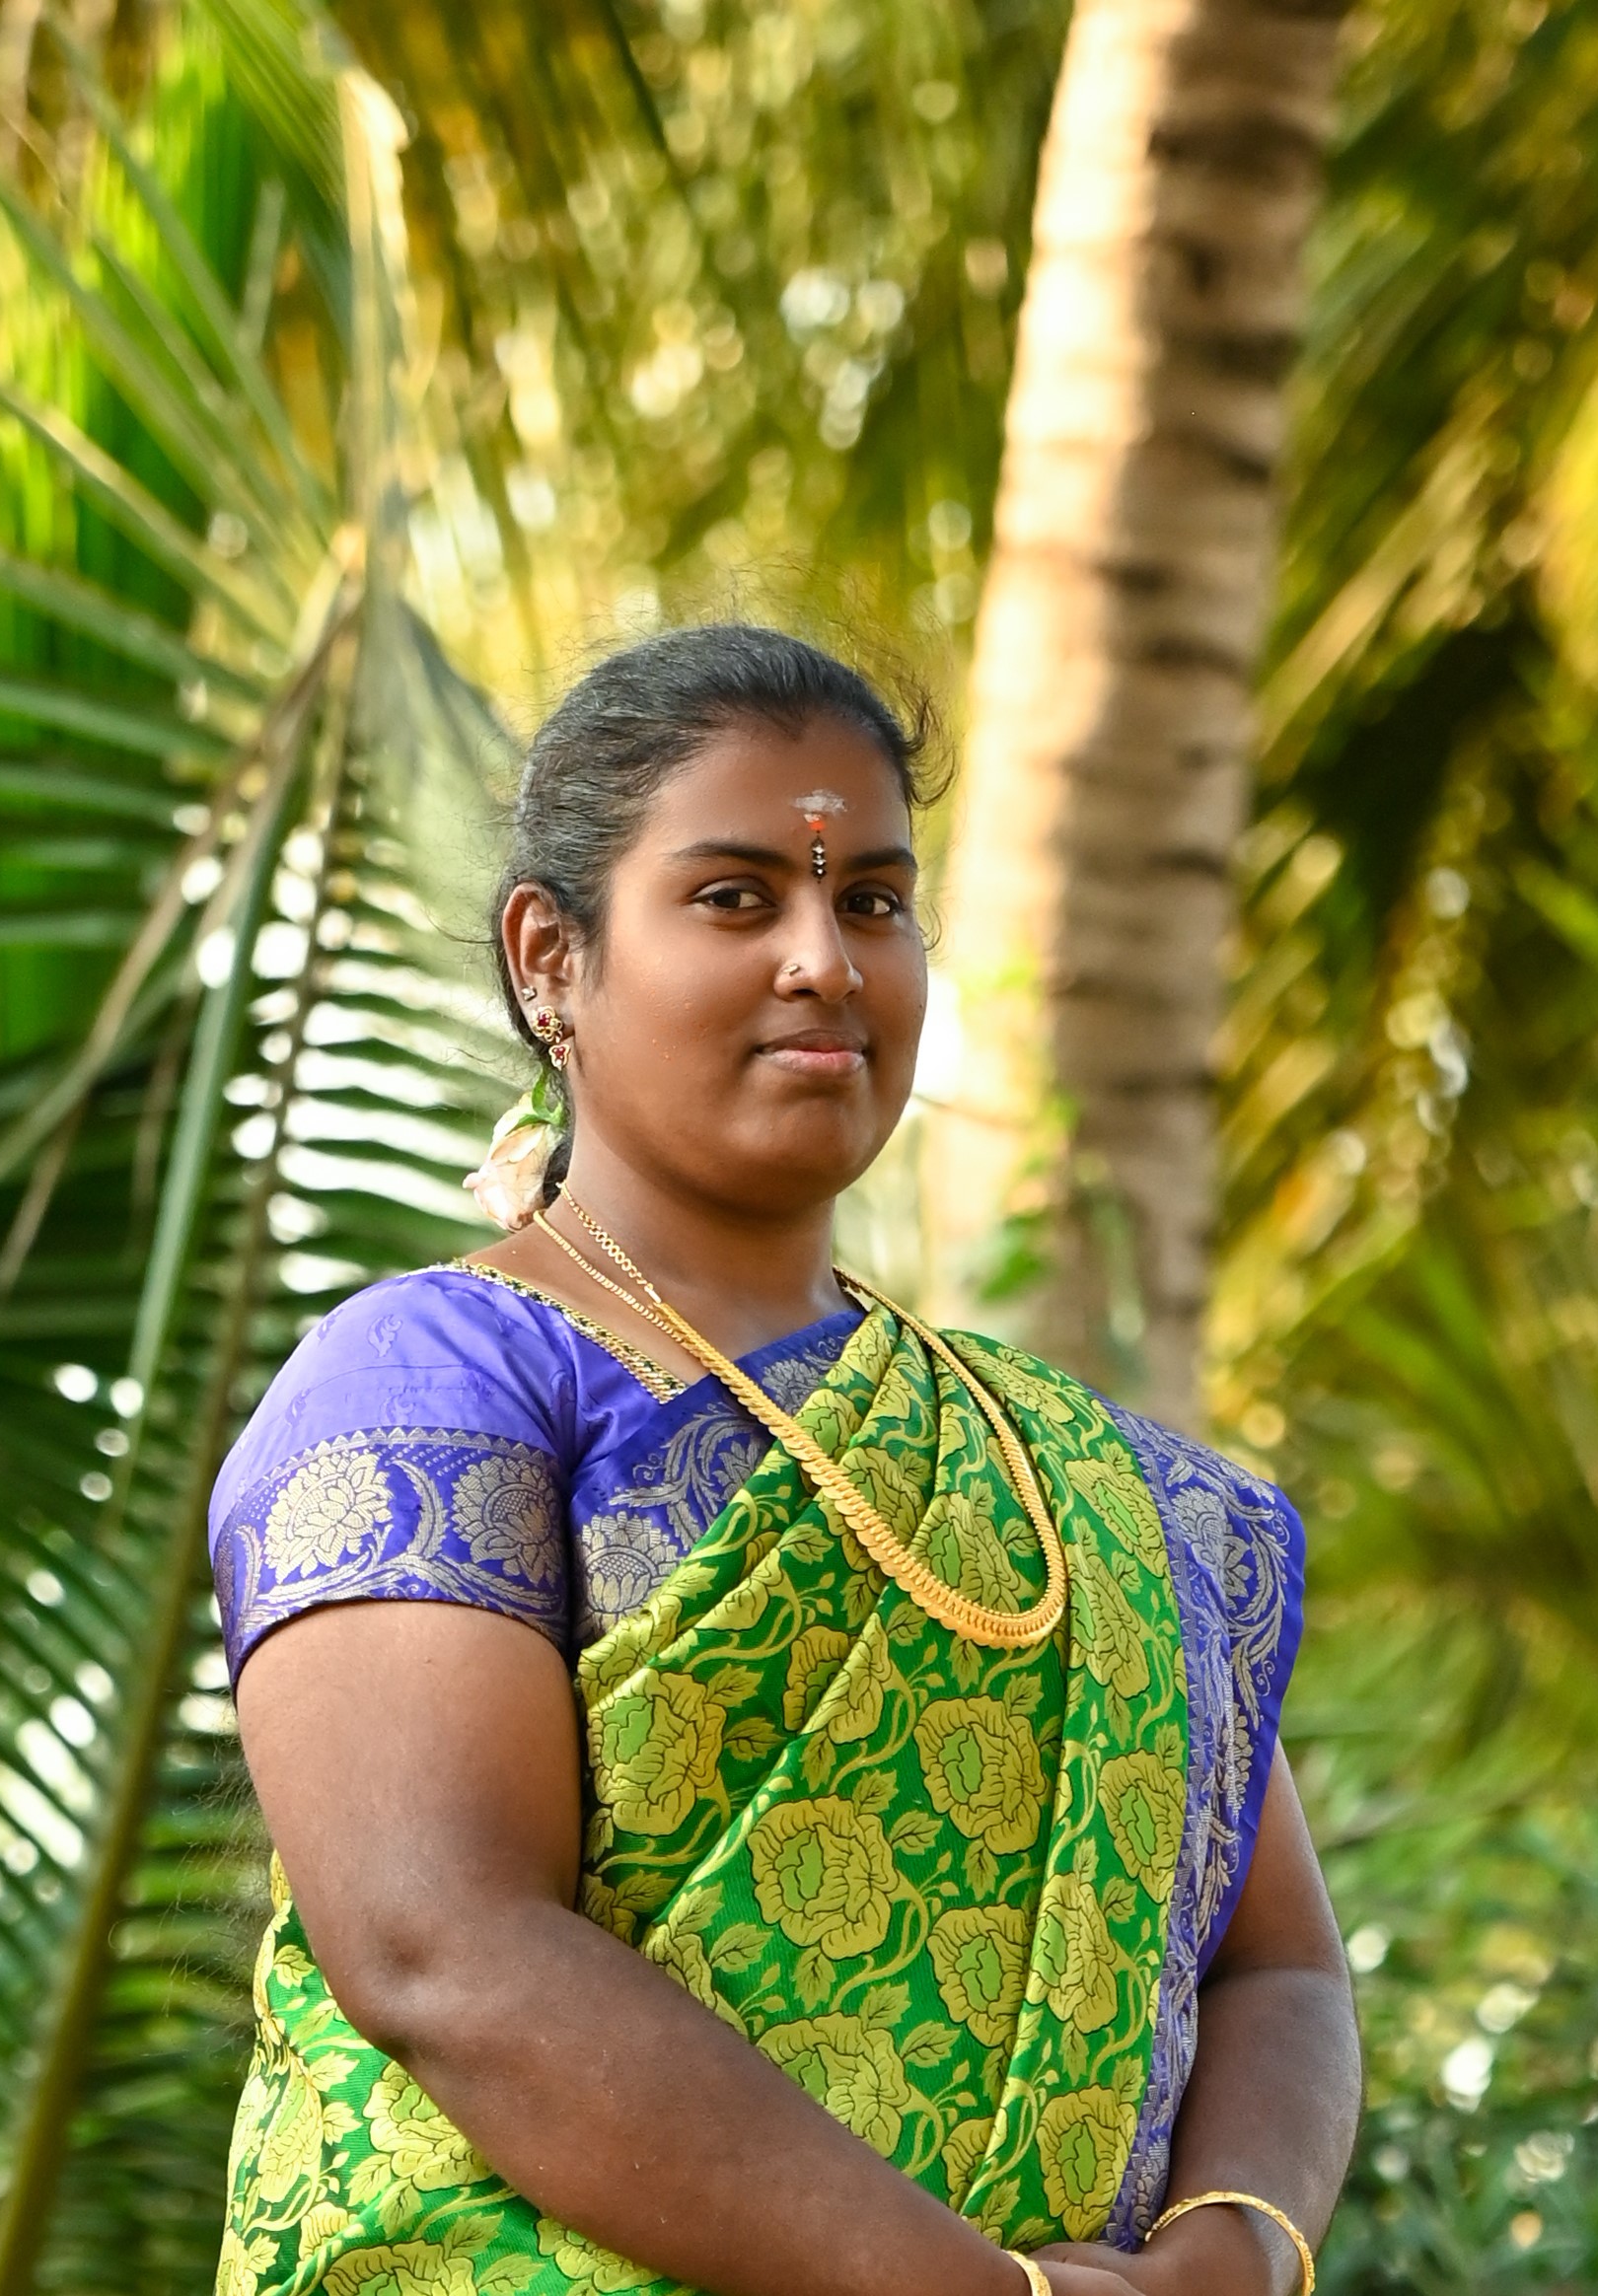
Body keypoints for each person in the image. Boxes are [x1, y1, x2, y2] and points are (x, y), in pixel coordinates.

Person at [208, 626, 1360, 2296]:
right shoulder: (436, 1381)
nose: (825, 960)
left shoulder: (1074, 1478)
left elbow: (1283, 1972)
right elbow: (441, 1947)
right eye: (735, 897)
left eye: (873, 901)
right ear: (551, 958)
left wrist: (1231, 2257)